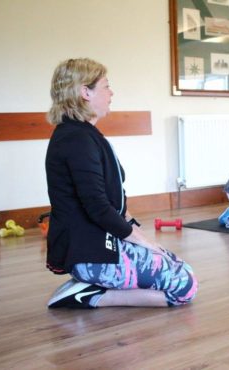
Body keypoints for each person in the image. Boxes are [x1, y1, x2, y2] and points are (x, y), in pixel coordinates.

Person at [45, 58, 197, 309]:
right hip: (90, 254)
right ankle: (89, 295)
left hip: (97, 245)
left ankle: (90, 286)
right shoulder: (76, 140)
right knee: (185, 286)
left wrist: (142, 239)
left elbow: (114, 202)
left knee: (180, 267)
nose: (111, 92)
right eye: (106, 86)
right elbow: (98, 207)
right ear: (85, 92)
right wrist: (146, 243)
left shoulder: (83, 135)